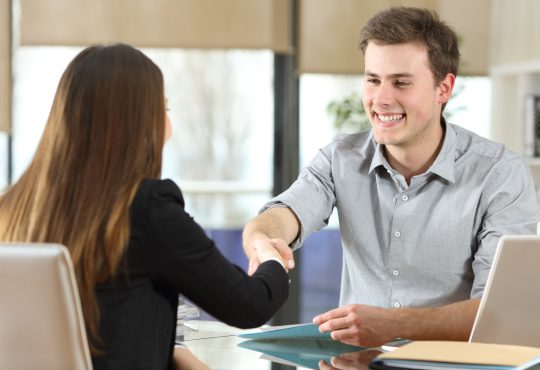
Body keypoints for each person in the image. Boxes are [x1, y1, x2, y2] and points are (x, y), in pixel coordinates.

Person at [242, 6, 539, 348]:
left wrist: (394, 324)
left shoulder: (499, 174)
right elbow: (283, 215)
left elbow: (498, 313)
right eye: (373, 80)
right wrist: (263, 239)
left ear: (444, 88)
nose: (381, 99)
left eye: (401, 82)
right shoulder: (341, 158)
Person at [0, 43, 289, 370]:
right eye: (163, 107)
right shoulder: (147, 210)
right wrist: (269, 255)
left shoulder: (12, 208)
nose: (168, 123)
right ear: (138, 122)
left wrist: (170, 354)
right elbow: (250, 305)